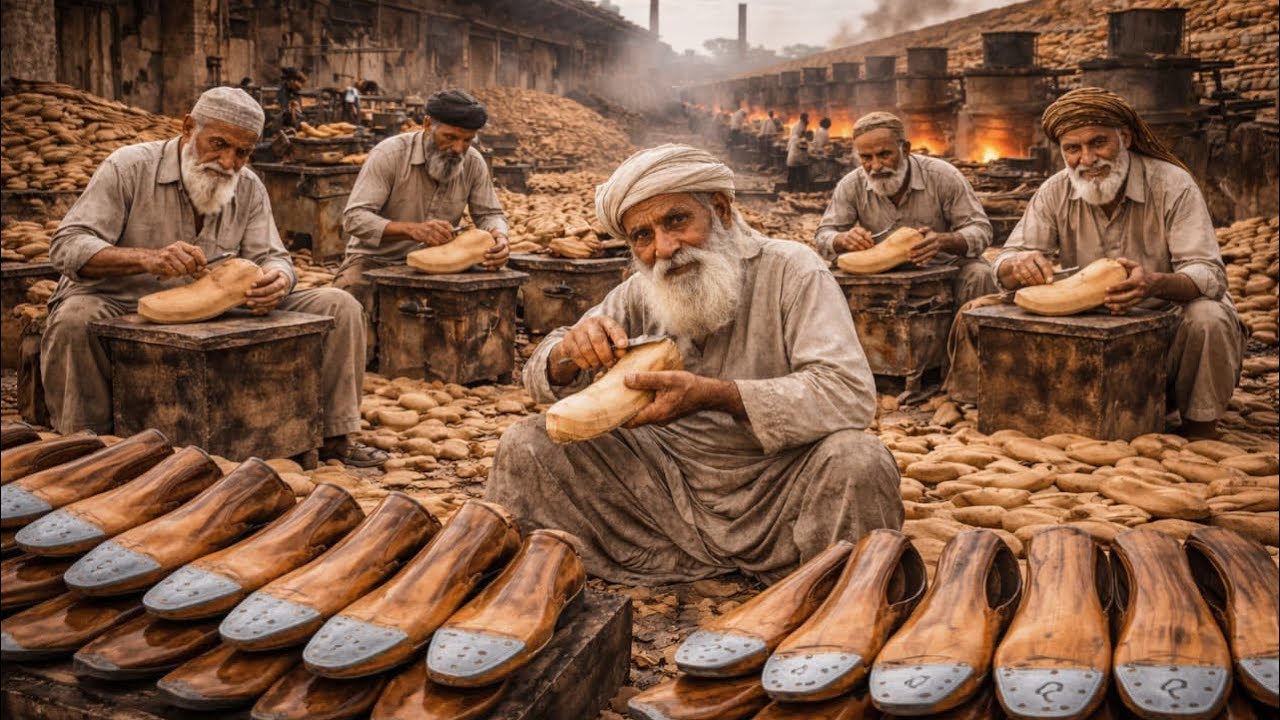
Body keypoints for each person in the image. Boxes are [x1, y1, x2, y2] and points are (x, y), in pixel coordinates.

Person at [486, 145, 902, 585]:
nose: (664, 249)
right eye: (642, 236)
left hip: (778, 489)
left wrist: (716, 395)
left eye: (676, 221)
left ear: (720, 210)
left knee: (859, 461)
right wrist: (566, 355)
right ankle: (520, 587)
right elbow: (539, 375)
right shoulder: (641, 290)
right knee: (525, 444)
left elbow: (848, 392)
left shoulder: (793, 270)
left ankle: (837, 595)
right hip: (661, 493)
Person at [42, 87, 384, 467]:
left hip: (219, 308)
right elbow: (67, 245)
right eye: (218, 144)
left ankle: (334, 437)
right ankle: (90, 446)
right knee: (75, 318)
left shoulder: (249, 186)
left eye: (242, 153)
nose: (227, 162)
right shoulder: (129, 167)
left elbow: (272, 256)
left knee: (339, 305)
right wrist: (147, 259)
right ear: (188, 128)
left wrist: (279, 279)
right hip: (124, 301)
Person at [945, 88, 1244, 439]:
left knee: (1209, 317)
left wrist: (1153, 283)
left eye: (1098, 143)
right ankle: (1003, 406)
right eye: (1073, 149)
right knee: (977, 311)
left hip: (1164, 320)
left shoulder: (1172, 184)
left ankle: (1199, 427)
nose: (1087, 159)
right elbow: (1006, 261)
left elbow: (1208, 274)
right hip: (1086, 319)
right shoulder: (1055, 190)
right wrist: (1018, 264)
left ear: (1125, 138)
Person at [335, 89, 509, 353]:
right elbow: (354, 218)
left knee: (469, 336)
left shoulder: (473, 162)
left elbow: (489, 214)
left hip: (440, 264)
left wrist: (500, 237)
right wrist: (412, 230)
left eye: (467, 140)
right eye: (449, 137)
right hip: (375, 260)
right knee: (350, 325)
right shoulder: (390, 154)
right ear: (427, 125)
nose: (458, 148)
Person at [815, 111, 995, 306]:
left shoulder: (943, 177)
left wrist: (943, 241)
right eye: (866, 157)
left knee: (980, 274)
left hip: (942, 267)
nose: (876, 166)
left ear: (906, 150)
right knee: (822, 281)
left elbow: (980, 229)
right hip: (877, 273)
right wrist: (841, 239)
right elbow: (824, 234)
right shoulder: (851, 185)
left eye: (884, 155)